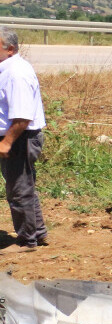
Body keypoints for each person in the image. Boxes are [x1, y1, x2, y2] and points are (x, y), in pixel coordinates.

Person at [0, 26, 48, 255]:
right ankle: (37, 232)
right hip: (18, 136)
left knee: (18, 189)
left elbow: (22, 117)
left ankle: (26, 241)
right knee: (23, 185)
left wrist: (7, 142)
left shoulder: (16, 73)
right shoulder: (8, 68)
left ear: (9, 49)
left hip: (20, 137)